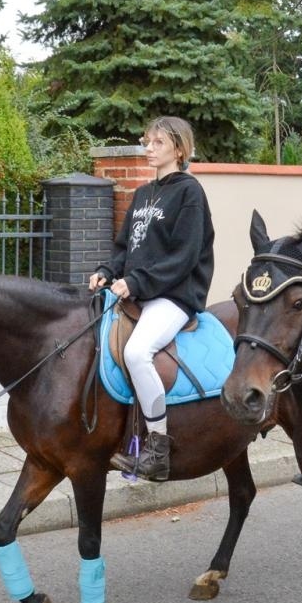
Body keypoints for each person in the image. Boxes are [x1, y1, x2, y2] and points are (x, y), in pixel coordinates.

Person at [88, 116, 214, 481]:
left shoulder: (190, 193)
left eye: (158, 143)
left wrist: (136, 282)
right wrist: (108, 270)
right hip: (140, 290)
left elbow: (183, 256)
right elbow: (125, 247)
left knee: (136, 352)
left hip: (174, 295)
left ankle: (158, 449)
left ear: (179, 149)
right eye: (147, 141)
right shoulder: (144, 194)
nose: (148, 148)